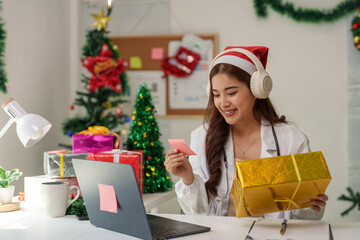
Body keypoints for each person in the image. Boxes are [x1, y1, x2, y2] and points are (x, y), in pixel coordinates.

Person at [164, 46, 328, 219]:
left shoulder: (292, 139)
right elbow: (198, 215)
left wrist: (310, 205)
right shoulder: (201, 137)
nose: (223, 103)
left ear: (257, 90)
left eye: (232, 93)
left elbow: (309, 217)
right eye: (216, 95)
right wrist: (188, 178)